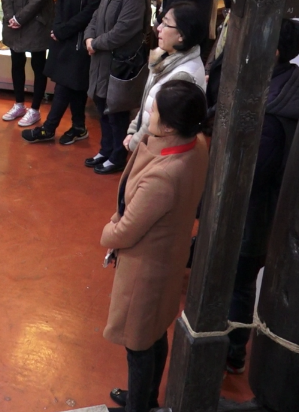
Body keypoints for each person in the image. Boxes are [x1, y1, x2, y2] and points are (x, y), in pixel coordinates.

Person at [205, 19, 299, 374]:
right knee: (239, 280)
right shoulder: (289, 85)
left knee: (237, 282)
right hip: (257, 211)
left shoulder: (273, 111)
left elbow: (250, 174)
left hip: (251, 214)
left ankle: (232, 350)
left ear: (274, 52)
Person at [101, 80, 210, 412]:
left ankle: (139, 404)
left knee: (138, 344)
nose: (149, 114)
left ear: (171, 126)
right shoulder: (197, 144)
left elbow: (125, 231)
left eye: (155, 111)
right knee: (155, 331)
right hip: (169, 256)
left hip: (145, 270)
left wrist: (108, 231)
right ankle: (145, 397)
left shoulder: (163, 177)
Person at [22, 0, 111, 144]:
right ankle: (79, 127)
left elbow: (91, 11)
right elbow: (61, 0)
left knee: (66, 83)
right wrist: (57, 27)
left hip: (80, 39)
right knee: (74, 85)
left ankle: (49, 128)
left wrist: (62, 30)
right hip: (63, 35)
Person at [84, 0, 151, 175]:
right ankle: (106, 150)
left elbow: (123, 31)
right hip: (101, 60)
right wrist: (89, 37)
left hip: (118, 63)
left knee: (116, 112)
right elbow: (95, 17)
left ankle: (117, 157)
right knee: (102, 107)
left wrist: (95, 43)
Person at [124, 1, 207, 153]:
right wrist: (133, 130)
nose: (159, 28)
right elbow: (147, 102)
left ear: (182, 34)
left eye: (166, 24)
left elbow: (160, 118)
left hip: (158, 149)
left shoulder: (183, 76)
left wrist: (135, 142)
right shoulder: (165, 57)